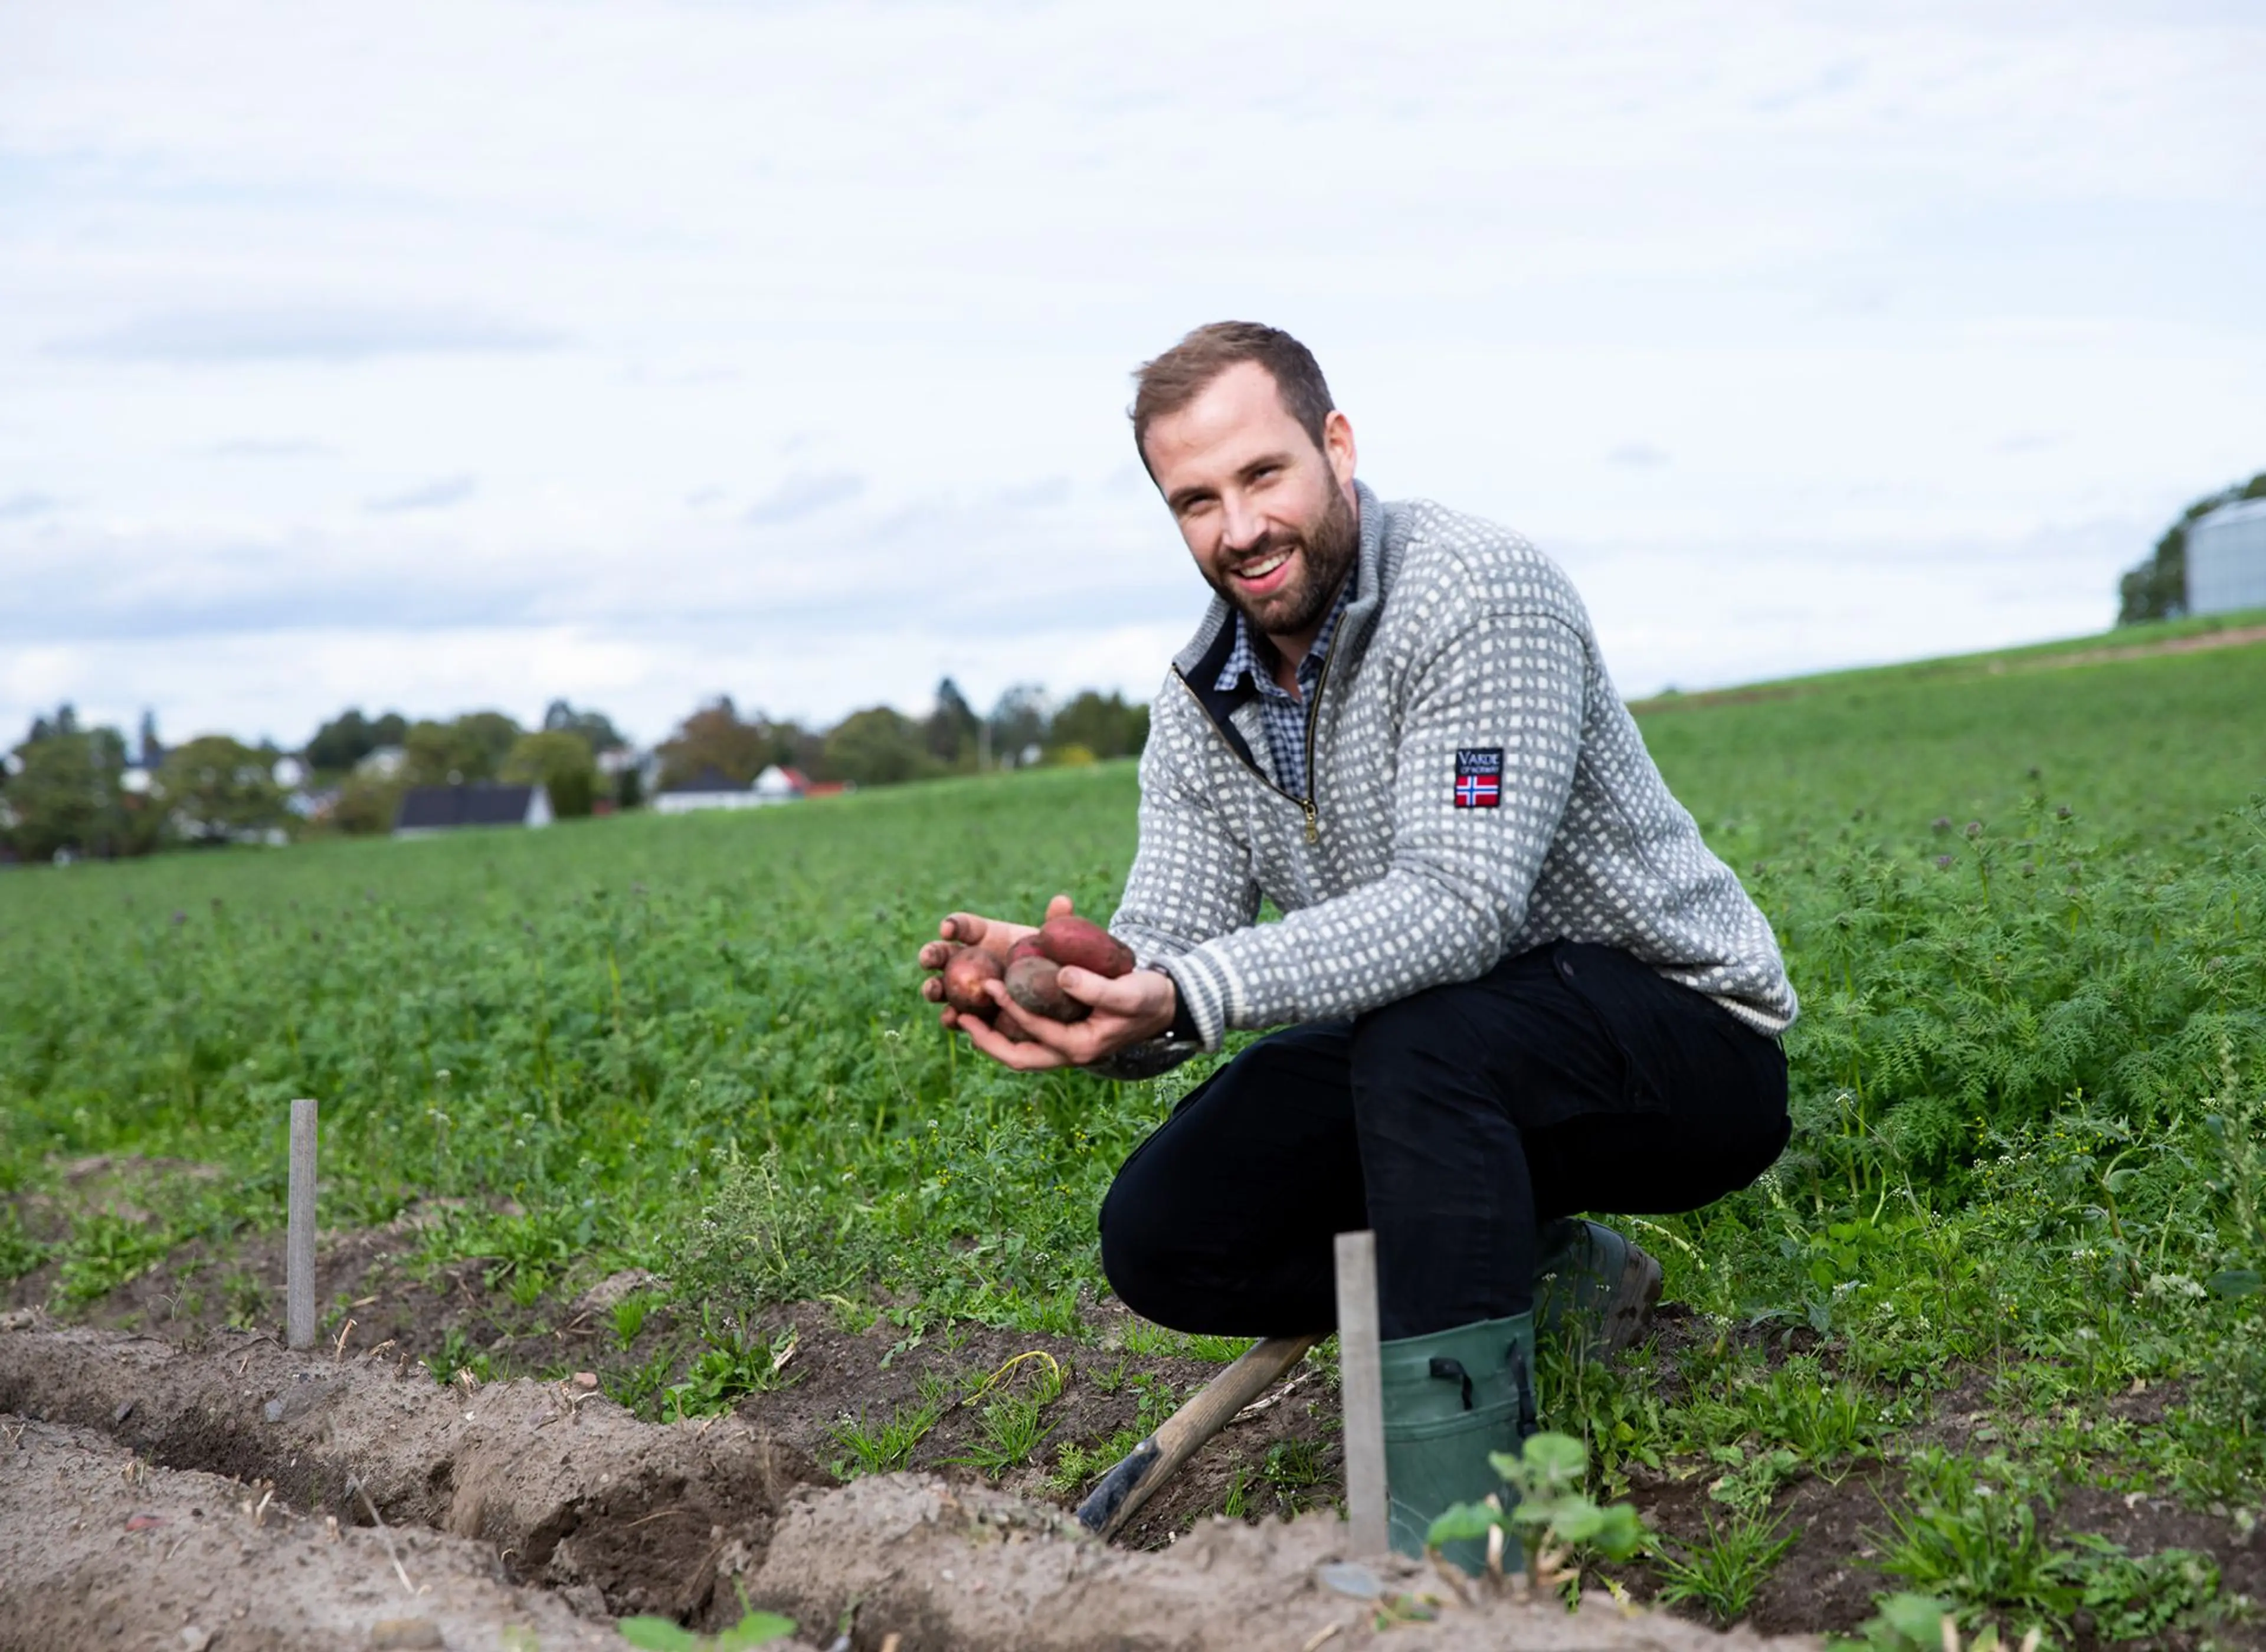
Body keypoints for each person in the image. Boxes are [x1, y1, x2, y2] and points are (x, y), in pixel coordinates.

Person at [917, 321, 1796, 1561]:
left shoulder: (1476, 591)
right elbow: (1175, 940)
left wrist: (1188, 990)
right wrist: (1089, 989)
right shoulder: (1201, 702)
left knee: (1427, 1039)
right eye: (1196, 500)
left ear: (1336, 445)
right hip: (1441, 1053)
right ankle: (1550, 1269)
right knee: (1169, 1227)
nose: (1239, 527)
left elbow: (1459, 905)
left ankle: (1456, 1547)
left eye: (1263, 474)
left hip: (1677, 1042)